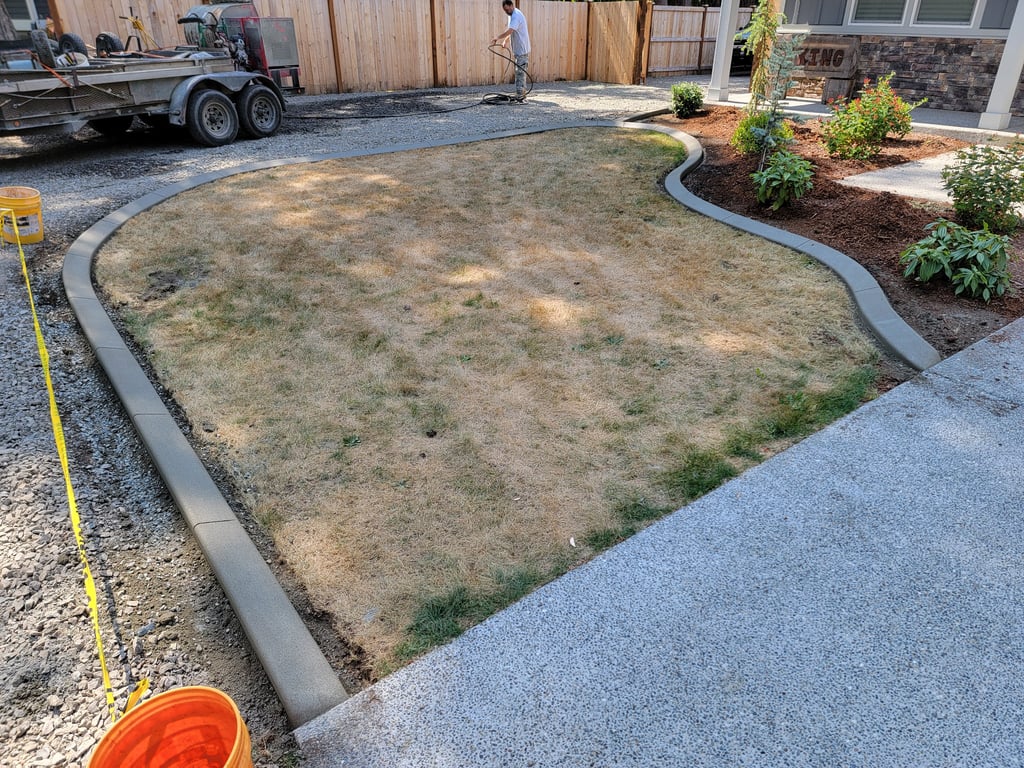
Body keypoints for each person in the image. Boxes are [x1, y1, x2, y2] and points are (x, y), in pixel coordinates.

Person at [491, 0, 530, 101]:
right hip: (518, 50)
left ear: (512, 5)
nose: (507, 12)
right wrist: (505, 41)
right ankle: (521, 93)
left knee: (520, 72)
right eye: (505, 10)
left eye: (508, 9)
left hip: (522, 49)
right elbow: (512, 31)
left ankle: (521, 96)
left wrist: (497, 38)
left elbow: (510, 30)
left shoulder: (516, 16)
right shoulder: (511, 15)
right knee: (519, 72)